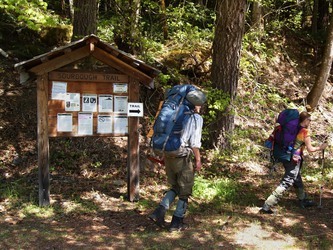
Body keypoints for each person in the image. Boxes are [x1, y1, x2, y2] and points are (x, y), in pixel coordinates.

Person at [149, 103, 205, 231]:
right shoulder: (195, 118)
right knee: (185, 190)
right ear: (195, 104)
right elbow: (194, 143)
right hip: (181, 157)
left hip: (168, 155)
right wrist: (198, 160)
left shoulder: (174, 113)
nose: (200, 107)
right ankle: (176, 222)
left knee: (175, 187)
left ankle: (159, 212)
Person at [260, 111, 328, 214]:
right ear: (305, 120)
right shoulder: (304, 131)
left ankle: (303, 200)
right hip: (294, 159)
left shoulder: (292, 129)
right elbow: (310, 149)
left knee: (296, 178)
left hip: (285, 155)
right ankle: (267, 205)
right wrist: (321, 147)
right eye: (310, 120)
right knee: (287, 181)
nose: (310, 122)